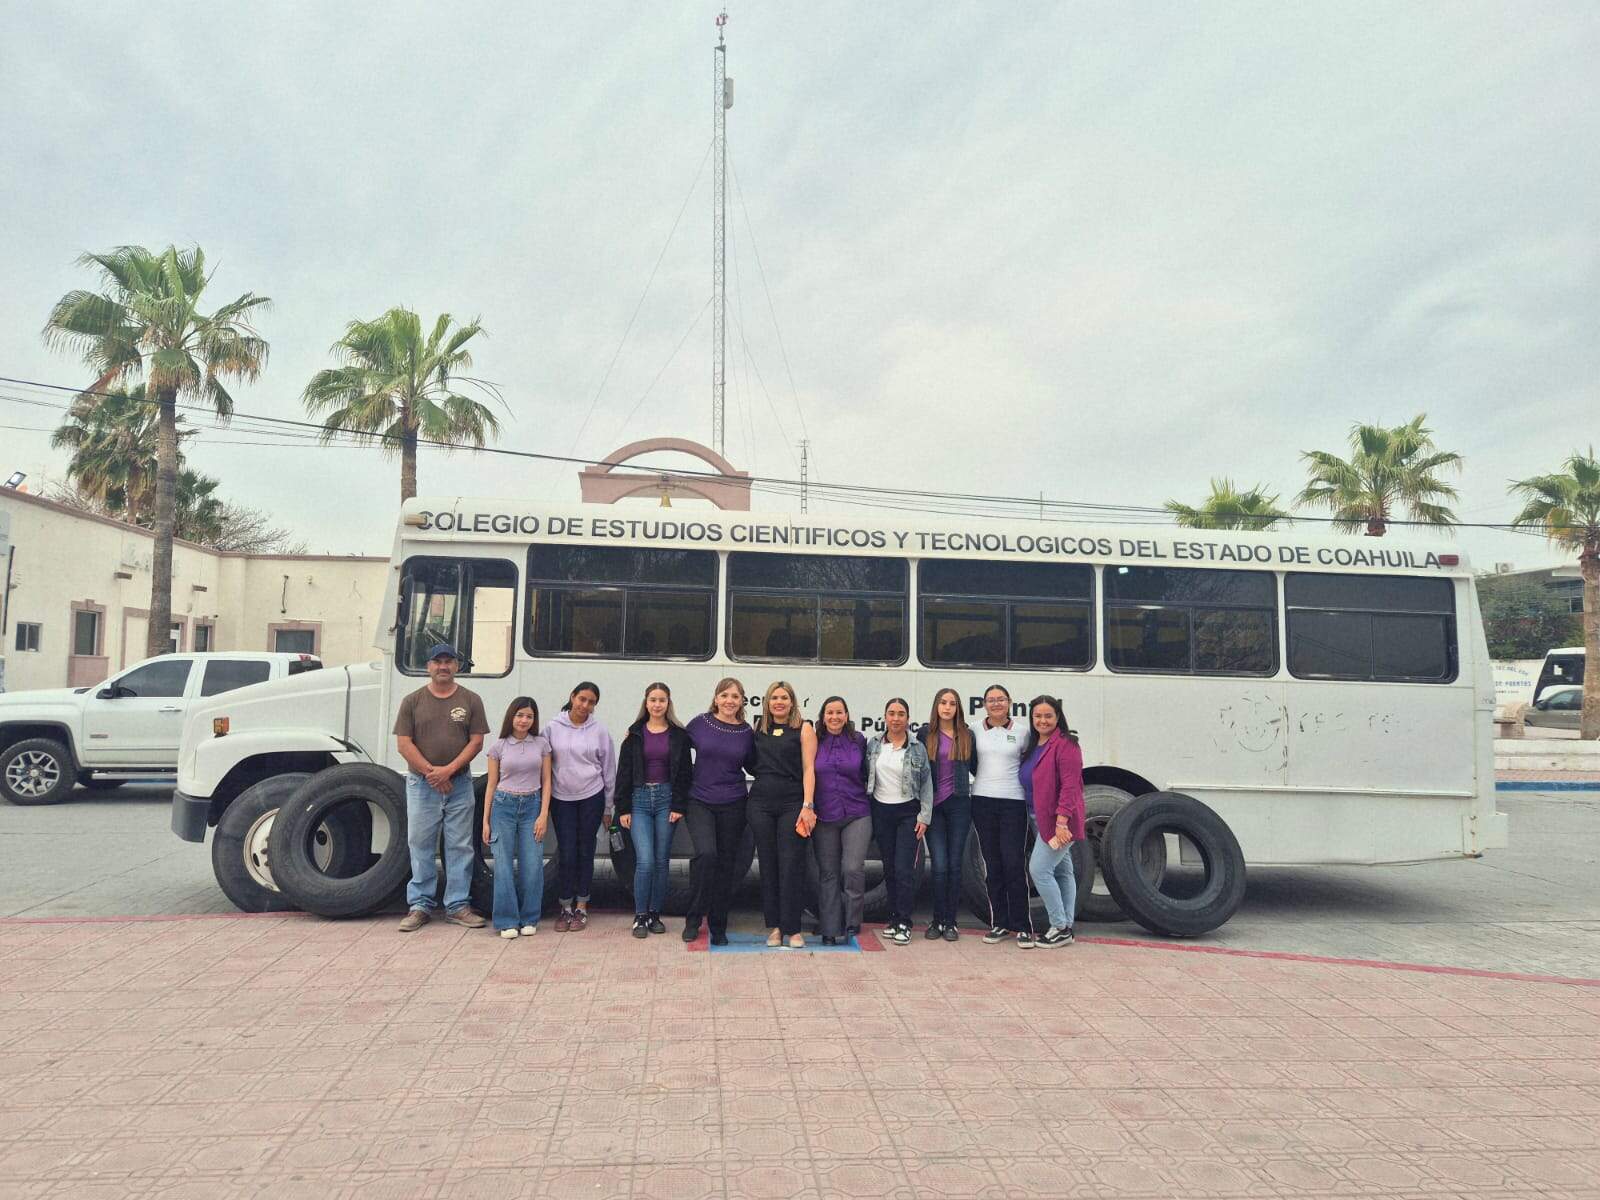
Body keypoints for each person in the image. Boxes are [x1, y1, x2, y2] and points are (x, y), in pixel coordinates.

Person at [393, 643, 489, 931]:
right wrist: (432, 773)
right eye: (437, 662)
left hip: (459, 784)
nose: (443, 666)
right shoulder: (412, 701)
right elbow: (404, 743)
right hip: (422, 785)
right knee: (420, 844)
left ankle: (457, 906)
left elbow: (476, 742)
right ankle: (420, 906)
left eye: (448, 661)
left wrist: (448, 771)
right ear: (428, 666)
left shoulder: (471, 700)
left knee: (460, 845)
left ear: (457, 666)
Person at [614, 682, 693, 937]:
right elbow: (623, 772)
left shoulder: (679, 735)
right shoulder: (634, 734)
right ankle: (640, 916)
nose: (657, 704)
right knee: (645, 860)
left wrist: (679, 805)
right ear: (646, 703)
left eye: (662, 700)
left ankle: (655, 914)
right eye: (653, 700)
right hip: (638, 801)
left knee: (661, 861)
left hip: (666, 801)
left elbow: (685, 773)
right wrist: (623, 808)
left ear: (668, 703)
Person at [682, 678, 755, 946]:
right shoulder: (699, 723)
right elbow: (674, 745)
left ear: (741, 701)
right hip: (699, 800)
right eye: (724, 695)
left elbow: (756, 765)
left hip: (734, 803)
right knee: (706, 855)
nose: (729, 701)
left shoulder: (747, 732)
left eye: (735, 696)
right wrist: (637, 736)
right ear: (716, 698)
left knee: (726, 865)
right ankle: (693, 919)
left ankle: (718, 924)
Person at [746, 681, 817, 948]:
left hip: (792, 803)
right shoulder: (759, 728)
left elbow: (809, 769)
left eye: (784, 698)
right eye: (774, 698)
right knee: (768, 865)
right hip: (760, 803)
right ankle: (775, 927)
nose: (779, 702)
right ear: (767, 702)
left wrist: (807, 805)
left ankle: (793, 929)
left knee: (791, 865)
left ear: (792, 702)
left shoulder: (804, 728)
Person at [545, 682, 615, 932]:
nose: (585, 705)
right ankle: (565, 906)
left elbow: (609, 769)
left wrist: (608, 807)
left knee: (586, 851)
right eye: (582, 699)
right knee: (566, 852)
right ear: (572, 697)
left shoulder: (599, 731)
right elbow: (544, 763)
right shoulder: (552, 728)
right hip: (561, 798)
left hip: (591, 797)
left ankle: (582, 906)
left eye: (591, 702)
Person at [481, 697, 552, 938]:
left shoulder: (541, 745)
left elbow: (547, 781)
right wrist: (486, 821)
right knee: (503, 866)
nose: (524, 720)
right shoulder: (498, 747)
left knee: (532, 865)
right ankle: (507, 921)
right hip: (504, 806)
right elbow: (491, 785)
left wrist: (543, 815)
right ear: (511, 716)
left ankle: (529, 917)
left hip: (532, 806)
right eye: (520, 715)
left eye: (529, 716)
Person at [971, 683, 1034, 947]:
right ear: (984, 704)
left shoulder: (1022, 732)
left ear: (1009, 702)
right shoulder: (974, 729)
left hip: (1013, 803)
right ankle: (999, 923)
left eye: (1001, 699)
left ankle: (1023, 926)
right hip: (982, 801)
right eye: (991, 700)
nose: (996, 703)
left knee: (1013, 864)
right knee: (992, 865)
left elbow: (1029, 765)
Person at [865, 698, 932, 945]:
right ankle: (893, 919)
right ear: (885, 717)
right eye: (891, 713)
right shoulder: (874, 744)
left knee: (904, 870)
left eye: (901, 714)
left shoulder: (917, 747)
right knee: (890, 869)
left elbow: (926, 783)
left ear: (907, 719)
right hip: (881, 812)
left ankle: (905, 922)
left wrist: (924, 816)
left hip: (908, 814)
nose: (896, 718)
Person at [1021, 695, 1085, 948]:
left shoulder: (1066, 744)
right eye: (1038, 716)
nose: (1043, 720)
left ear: (1058, 717)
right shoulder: (1034, 744)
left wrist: (1061, 822)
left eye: (1048, 716)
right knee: (1062, 871)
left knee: (1039, 869)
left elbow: (1070, 786)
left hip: (1058, 821)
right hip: (1037, 817)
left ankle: (1059, 926)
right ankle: (1066, 925)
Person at [811, 696, 871, 946]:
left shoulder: (859, 741)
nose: (834, 717)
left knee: (852, 868)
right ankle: (829, 927)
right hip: (824, 815)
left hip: (857, 812)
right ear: (823, 717)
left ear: (846, 716)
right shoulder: (814, 741)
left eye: (839, 712)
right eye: (830, 713)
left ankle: (852, 922)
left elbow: (867, 772)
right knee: (828, 873)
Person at [921, 687, 975, 941]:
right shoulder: (925, 734)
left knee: (954, 865)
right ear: (936, 706)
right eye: (943, 702)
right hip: (934, 807)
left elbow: (977, 767)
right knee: (939, 865)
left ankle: (950, 922)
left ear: (957, 708)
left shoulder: (966, 735)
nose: (947, 707)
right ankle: (936, 921)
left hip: (959, 806)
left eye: (952, 703)